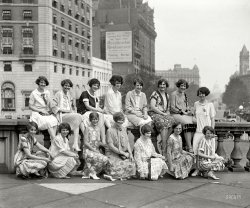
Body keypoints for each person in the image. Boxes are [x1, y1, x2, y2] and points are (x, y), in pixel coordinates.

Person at [53, 79, 86, 151]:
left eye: (69, 86)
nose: (67, 87)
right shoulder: (58, 94)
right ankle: (86, 136)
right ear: (62, 86)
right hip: (61, 115)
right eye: (65, 85)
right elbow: (54, 107)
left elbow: (71, 107)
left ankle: (75, 144)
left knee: (77, 121)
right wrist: (66, 110)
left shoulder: (68, 95)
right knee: (79, 116)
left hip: (68, 115)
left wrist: (72, 111)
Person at [192, 87, 216, 176]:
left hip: (208, 133)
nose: (201, 95)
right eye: (200, 93)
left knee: (209, 151)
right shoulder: (196, 104)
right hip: (198, 131)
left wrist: (212, 132)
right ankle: (197, 169)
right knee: (196, 150)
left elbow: (213, 119)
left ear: (206, 94)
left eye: (203, 93)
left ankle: (208, 170)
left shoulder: (210, 105)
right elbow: (193, 116)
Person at [105, 112, 136, 180]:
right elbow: (111, 146)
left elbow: (127, 142)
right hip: (112, 154)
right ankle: (112, 175)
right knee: (116, 167)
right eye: (119, 120)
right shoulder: (109, 130)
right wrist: (122, 153)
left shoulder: (124, 129)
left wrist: (130, 154)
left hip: (122, 154)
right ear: (115, 120)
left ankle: (121, 175)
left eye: (122, 120)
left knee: (132, 164)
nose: (121, 122)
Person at [149, 79, 175, 154]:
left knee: (173, 121)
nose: (162, 86)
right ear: (158, 86)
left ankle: (164, 141)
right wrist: (163, 114)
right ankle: (164, 148)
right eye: (160, 84)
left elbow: (168, 108)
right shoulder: (155, 94)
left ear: (166, 86)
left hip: (163, 114)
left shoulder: (167, 95)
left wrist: (167, 114)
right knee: (164, 125)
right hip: (155, 113)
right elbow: (153, 106)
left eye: (164, 84)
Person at [82, 112, 109, 180]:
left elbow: (98, 142)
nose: (95, 121)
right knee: (101, 158)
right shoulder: (87, 129)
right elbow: (85, 142)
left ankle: (89, 172)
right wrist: (94, 150)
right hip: (87, 150)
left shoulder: (98, 129)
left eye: (96, 119)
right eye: (93, 119)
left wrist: (106, 145)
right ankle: (92, 172)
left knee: (106, 159)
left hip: (95, 150)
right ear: (90, 120)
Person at [170, 79, 195, 153]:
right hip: (176, 114)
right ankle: (189, 147)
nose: (183, 87)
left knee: (197, 122)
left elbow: (186, 106)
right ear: (178, 86)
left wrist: (189, 110)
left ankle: (192, 144)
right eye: (181, 85)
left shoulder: (184, 94)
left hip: (184, 114)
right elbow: (172, 107)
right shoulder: (173, 94)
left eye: (184, 86)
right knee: (188, 123)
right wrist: (182, 112)